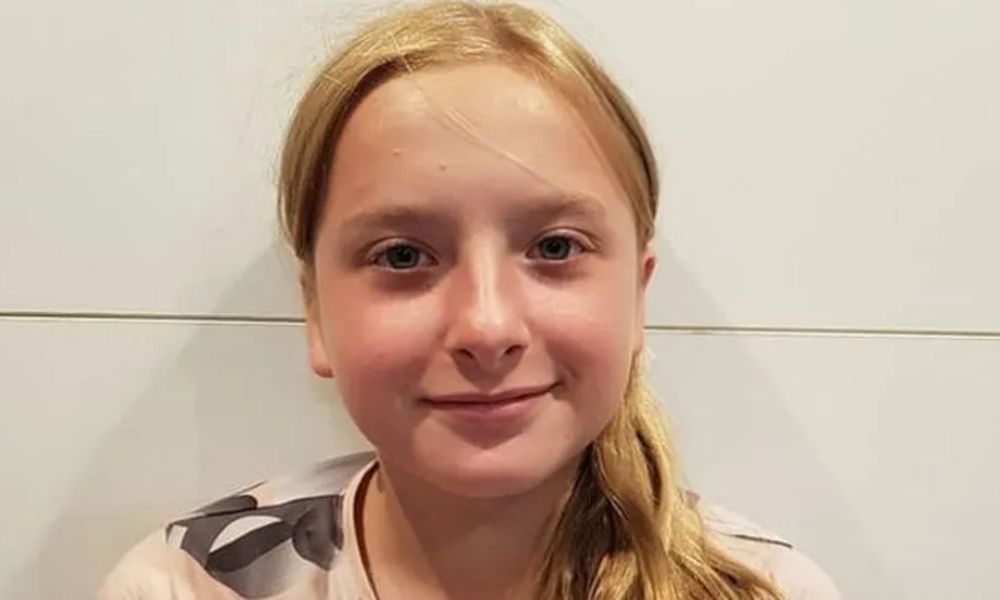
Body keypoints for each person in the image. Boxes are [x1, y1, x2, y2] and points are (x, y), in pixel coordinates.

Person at [99, 2, 842, 598]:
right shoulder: (181, 587)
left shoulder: (764, 590)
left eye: (556, 247)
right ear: (316, 315)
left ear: (637, 300)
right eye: (402, 256)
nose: (487, 326)